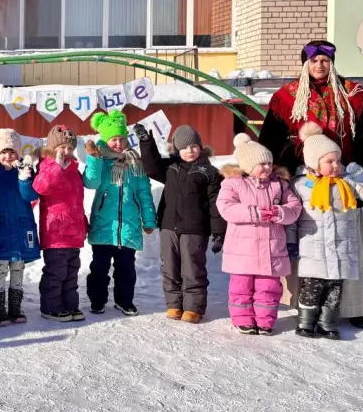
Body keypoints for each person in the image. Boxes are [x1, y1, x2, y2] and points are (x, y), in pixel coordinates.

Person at [258, 40, 363, 329]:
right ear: (305, 63)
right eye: (314, 60)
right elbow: (271, 140)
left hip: (343, 180)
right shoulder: (287, 97)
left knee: (348, 244)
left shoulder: (353, 95)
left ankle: (353, 306)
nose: (320, 65)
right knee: (309, 243)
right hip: (305, 181)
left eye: (325, 60)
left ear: (332, 63)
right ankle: (305, 304)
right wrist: (274, 175)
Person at [289, 123, 363, 340]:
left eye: (338, 160)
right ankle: (306, 322)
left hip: (342, 246)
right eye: (329, 161)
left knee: (335, 289)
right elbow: (291, 216)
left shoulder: (348, 183)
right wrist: (290, 241)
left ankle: (328, 323)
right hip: (313, 248)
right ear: (314, 163)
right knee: (312, 287)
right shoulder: (300, 185)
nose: (336, 165)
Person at [135, 123, 225, 323]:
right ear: (177, 150)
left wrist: (219, 232)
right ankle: (174, 305)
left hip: (195, 229)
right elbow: (151, 166)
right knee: (170, 267)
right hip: (169, 226)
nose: (189, 151)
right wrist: (146, 142)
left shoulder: (209, 172)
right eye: (184, 147)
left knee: (193, 268)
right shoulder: (170, 168)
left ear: (200, 147)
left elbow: (215, 204)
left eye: (193, 146)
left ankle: (193, 307)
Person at [216, 134, 302, 335]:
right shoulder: (233, 183)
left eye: (269, 163)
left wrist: (280, 213)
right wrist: (253, 213)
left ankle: (265, 321)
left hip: (271, 249)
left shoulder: (279, 185)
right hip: (242, 250)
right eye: (261, 164)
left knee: (269, 287)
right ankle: (243, 319)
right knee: (241, 287)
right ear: (247, 165)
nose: (267, 167)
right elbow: (226, 207)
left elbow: (295, 207)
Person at [83, 110, 156, 317]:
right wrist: (94, 160)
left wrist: (149, 219)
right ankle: (97, 301)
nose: (118, 143)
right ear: (106, 140)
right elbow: (90, 182)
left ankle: (124, 301)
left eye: (122, 139)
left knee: (126, 269)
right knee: (99, 268)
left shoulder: (135, 163)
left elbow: (144, 193)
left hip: (129, 226)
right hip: (104, 225)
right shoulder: (101, 161)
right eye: (113, 139)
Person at [0, 129, 39, 326]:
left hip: (21, 228)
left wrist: (25, 178)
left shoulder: (23, 170)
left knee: (18, 268)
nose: (8, 156)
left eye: (12, 151)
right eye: (3, 152)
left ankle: (15, 307)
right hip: (1, 229)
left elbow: (30, 196)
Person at [32, 125, 87, 322]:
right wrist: (56, 167)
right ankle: (50, 307)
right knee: (56, 273)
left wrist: (83, 223)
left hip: (74, 232)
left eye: (70, 148)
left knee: (71, 273)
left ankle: (70, 306)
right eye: (62, 147)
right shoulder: (46, 166)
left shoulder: (74, 170)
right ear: (52, 148)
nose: (66, 151)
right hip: (55, 232)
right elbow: (40, 187)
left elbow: (77, 201)